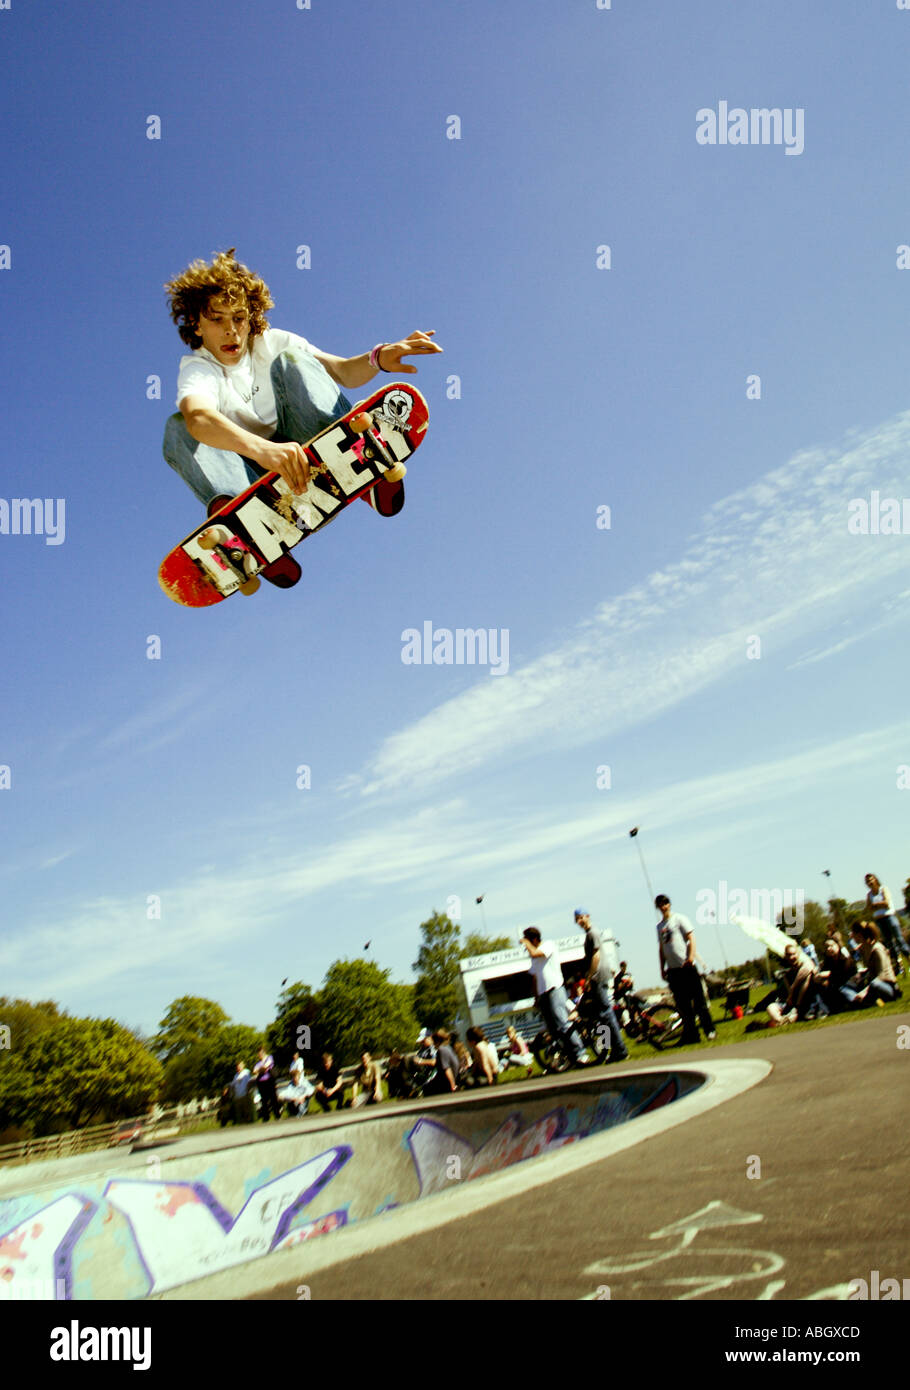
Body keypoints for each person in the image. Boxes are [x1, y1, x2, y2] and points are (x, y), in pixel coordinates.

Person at [162, 247, 442, 587]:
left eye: (239, 318)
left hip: (313, 449)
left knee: (293, 359)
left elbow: (340, 371)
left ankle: (358, 463)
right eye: (217, 320)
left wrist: (379, 358)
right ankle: (250, 531)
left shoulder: (271, 342)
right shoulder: (198, 368)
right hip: (262, 481)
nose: (231, 331)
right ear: (197, 324)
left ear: (251, 318)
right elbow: (198, 418)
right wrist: (264, 451)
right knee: (179, 428)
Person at [520, 927, 589, 1065]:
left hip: (555, 989)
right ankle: (570, 1056)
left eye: (528, 942)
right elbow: (534, 977)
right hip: (543, 994)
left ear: (534, 939)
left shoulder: (548, 945)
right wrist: (536, 998)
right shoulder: (533, 956)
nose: (526, 947)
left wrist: (525, 943)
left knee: (562, 1022)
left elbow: (535, 953)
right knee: (552, 1028)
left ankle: (581, 1052)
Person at [654, 895, 716, 1044]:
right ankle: (692, 1035)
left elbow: (691, 938)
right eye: (661, 905)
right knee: (683, 1006)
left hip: (686, 967)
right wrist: (662, 968)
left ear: (669, 904)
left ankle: (709, 1030)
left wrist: (691, 958)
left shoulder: (679, 919)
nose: (664, 907)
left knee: (699, 1001)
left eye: (666, 903)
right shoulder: (659, 927)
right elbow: (662, 948)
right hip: (673, 970)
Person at [574, 909, 628, 1063]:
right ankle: (609, 1048)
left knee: (606, 1013)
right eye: (577, 919)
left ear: (588, 916)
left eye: (581, 918)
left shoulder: (592, 933)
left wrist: (589, 978)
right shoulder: (590, 934)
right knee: (602, 1015)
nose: (579, 921)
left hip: (598, 977)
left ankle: (620, 1050)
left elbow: (596, 956)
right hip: (599, 976)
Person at [842, 922, 901, 1008]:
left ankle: (862, 1001)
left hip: (886, 986)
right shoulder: (863, 949)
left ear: (859, 935)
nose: (851, 936)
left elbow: (882, 975)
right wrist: (860, 975)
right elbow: (870, 970)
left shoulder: (877, 949)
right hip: (871, 986)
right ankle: (861, 1001)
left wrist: (864, 991)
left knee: (874, 984)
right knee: (844, 989)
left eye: (852, 933)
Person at [864, 874, 910, 977]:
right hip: (879, 920)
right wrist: (878, 905)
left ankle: (908, 960)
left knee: (899, 941)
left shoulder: (883, 889)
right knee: (890, 944)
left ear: (875, 880)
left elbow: (887, 903)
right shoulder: (869, 895)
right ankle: (899, 967)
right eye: (867, 881)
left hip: (890, 917)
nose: (870, 883)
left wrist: (875, 905)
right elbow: (868, 908)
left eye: (871, 880)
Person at [424, 1029, 460, 1095]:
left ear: (437, 1041)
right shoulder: (448, 1047)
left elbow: (447, 1069)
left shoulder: (441, 1049)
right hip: (453, 1078)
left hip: (446, 1082)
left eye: (434, 1042)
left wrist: (453, 1086)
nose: (433, 1045)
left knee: (426, 1087)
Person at [252, 1047, 282, 1121]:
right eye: (259, 1054)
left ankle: (277, 1115)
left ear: (264, 1052)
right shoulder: (258, 1063)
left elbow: (266, 1067)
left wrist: (260, 1070)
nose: (260, 1055)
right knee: (264, 1100)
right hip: (261, 1082)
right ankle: (266, 1117)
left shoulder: (269, 1058)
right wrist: (261, 1070)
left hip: (269, 1080)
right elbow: (254, 1071)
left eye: (261, 1053)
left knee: (273, 1098)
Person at [229, 1059, 255, 1125]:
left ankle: (250, 1124)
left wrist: (248, 1092)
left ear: (243, 1065)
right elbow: (233, 1085)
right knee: (240, 1115)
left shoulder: (246, 1072)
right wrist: (233, 1095)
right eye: (238, 1066)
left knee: (247, 1113)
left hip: (245, 1095)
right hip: (238, 1097)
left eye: (240, 1065)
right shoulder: (236, 1076)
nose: (239, 1067)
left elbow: (249, 1082)